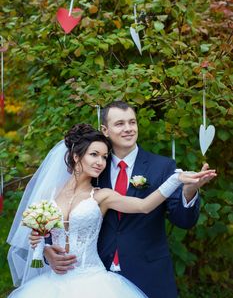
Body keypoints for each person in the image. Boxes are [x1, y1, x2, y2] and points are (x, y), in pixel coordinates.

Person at [7, 123, 215, 298]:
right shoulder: (50, 193)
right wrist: (43, 247)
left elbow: (144, 206)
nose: (101, 162)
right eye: (94, 155)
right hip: (51, 284)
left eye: (105, 157)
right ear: (76, 155)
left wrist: (175, 180)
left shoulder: (102, 195)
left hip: (93, 281)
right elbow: (38, 236)